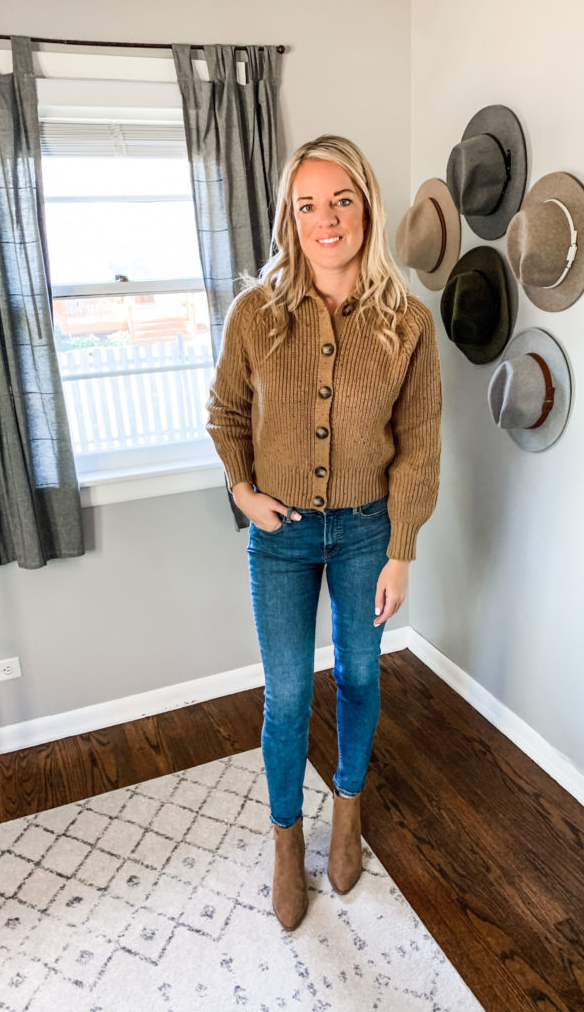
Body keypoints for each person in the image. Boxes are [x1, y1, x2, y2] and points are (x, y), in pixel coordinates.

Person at [206, 135, 442, 931]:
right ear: (290, 218)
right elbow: (226, 411)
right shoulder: (256, 314)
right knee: (287, 694)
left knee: (361, 676)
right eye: (307, 205)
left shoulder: (408, 322)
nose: (326, 219)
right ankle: (286, 838)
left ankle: (348, 808)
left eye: (341, 200)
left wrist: (402, 550)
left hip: (369, 532)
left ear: (366, 208)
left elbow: (420, 443)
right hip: (281, 537)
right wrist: (243, 490)